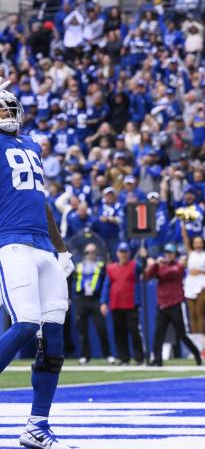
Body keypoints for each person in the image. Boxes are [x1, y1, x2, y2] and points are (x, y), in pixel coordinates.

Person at [0, 83, 77, 448]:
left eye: (10, 109)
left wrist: (62, 250)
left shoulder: (31, 145)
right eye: (1, 111)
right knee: (27, 323)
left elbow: (42, 203)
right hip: (11, 243)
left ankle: (37, 425)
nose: (8, 116)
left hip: (44, 247)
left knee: (54, 337)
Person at [144, 243, 202, 366]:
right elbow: (147, 275)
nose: (168, 255)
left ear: (175, 254)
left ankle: (197, 354)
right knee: (158, 334)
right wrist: (155, 264)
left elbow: (169, 273)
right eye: (166, 253)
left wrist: (158, 265)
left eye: (170, 253)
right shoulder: (160, 266)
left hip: (175, 305)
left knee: (181, 334)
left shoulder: (178, 266)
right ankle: (157, 359)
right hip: (162, 305)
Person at [101, 242, 144, 365]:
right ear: (117, 253)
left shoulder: (135, 265)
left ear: (129, 253)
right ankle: (124, 358)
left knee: (134, 331)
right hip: (116, 304)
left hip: (131, 304)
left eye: (125, 252)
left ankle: (139, 357)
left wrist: (144, 256)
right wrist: (104, 302)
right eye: (121, 252)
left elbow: (144, 268)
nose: (123, 254)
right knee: (119, 333)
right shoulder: (111, 268)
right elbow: (106, 286)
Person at [72, 243, 114, 364]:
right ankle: (85, 356)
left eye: (92, 252)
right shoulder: (78, 266)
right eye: (87, 252)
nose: (90, 254)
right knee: (82, 329)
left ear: (96, 253)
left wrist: (103, 301)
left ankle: (108, 355)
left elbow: (106, 283)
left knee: (101, 328)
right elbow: (72, 281)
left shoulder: (101, 266)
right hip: (82, 298)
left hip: (95, 299)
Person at [180, 223, 205, 340]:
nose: (198, 244)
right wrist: (183, 226)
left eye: (200, 242)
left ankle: (202, 338)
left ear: (203, 244)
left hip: (201, 282)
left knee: (199, 312)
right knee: (192, 313)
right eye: (196, 242)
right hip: (190, 282)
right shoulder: (190, 253)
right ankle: (194, 341)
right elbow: (185, 238)